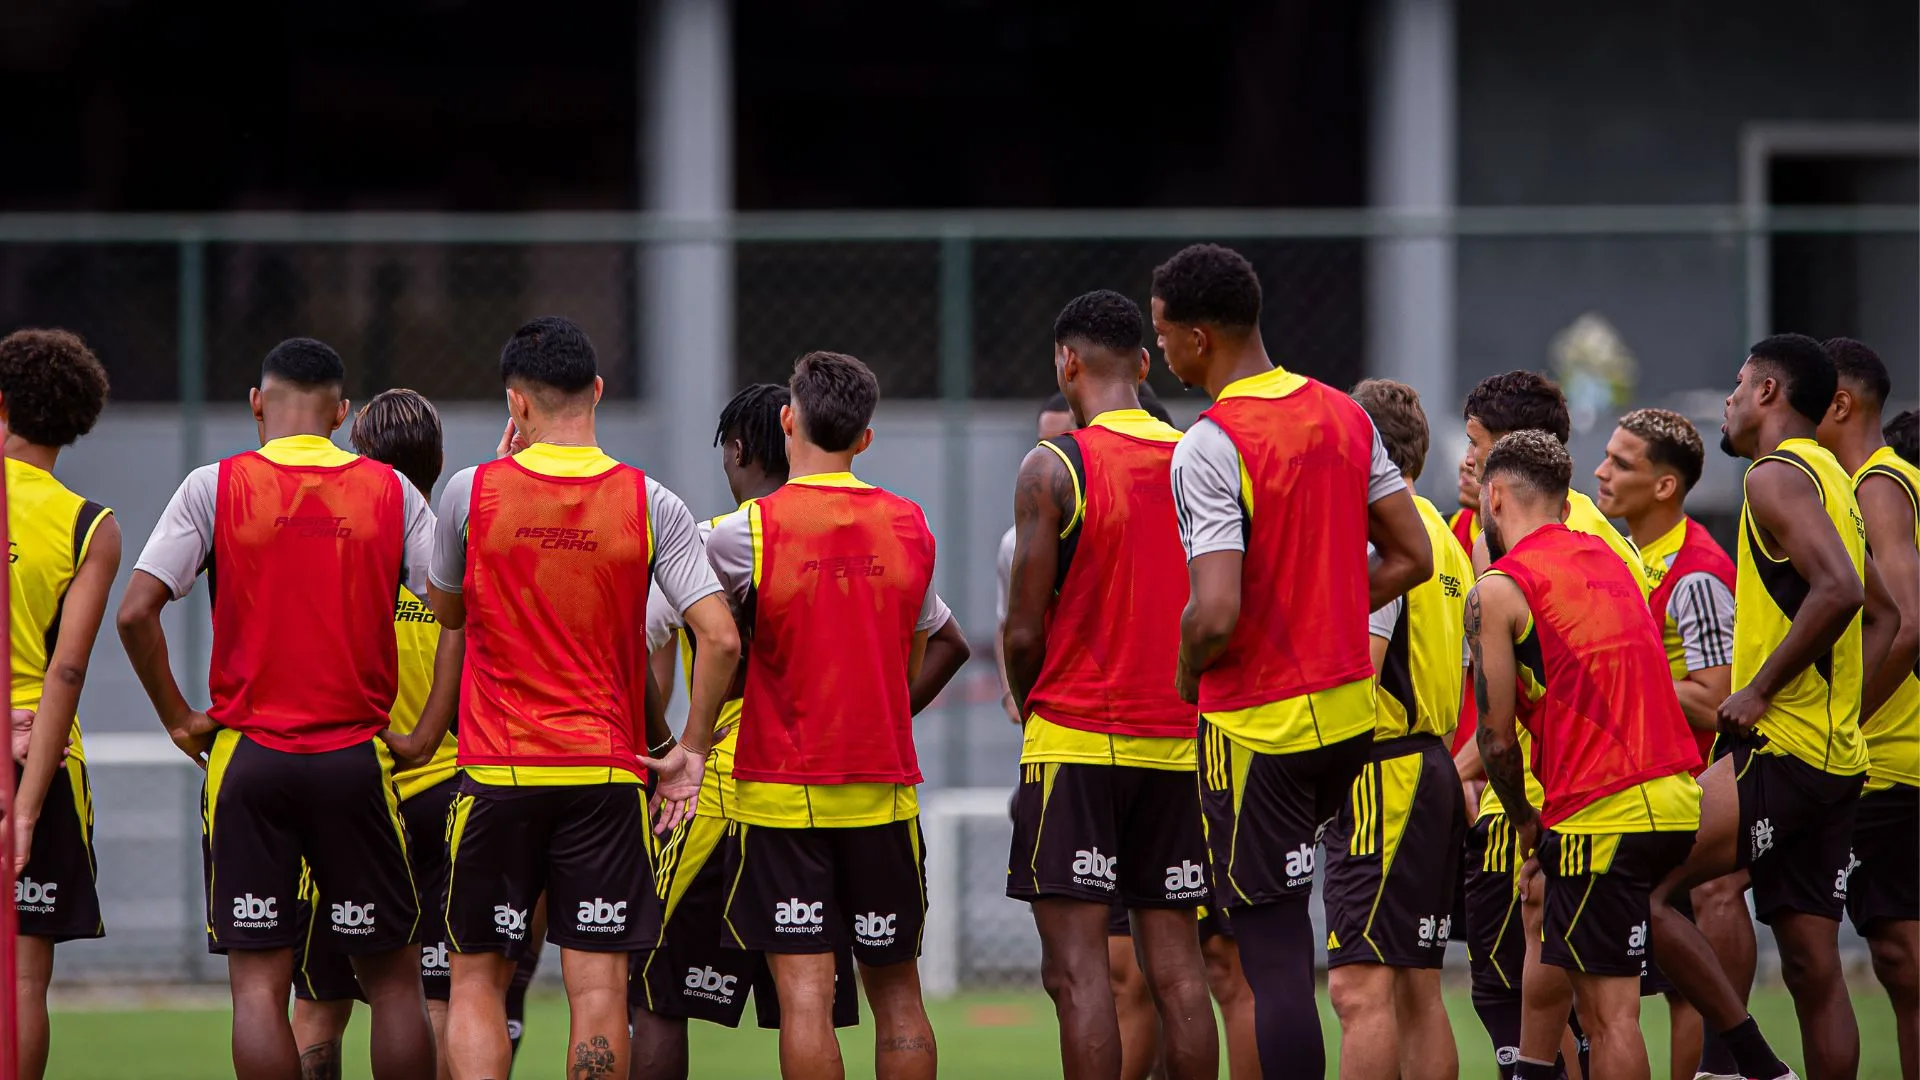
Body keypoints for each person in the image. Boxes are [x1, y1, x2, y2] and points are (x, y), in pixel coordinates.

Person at [413, 316, 741, 1080]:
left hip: (498, 775)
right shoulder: (650, 500)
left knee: (476, 983)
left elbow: (448, 610)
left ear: (515, 404)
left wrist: (493, 491)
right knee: (599, 991)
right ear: (596, 391)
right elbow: (720, 639)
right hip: (604, 779)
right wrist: (688, 751)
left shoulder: (471, 490)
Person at [116, 338, 438, 1080]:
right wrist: (423, 732)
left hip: (248, 759)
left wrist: (177, 715)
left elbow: (136, 613)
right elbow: (459, 612)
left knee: (259, 987)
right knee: (391, 980)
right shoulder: (392, 491)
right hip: (355, 759)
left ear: (258, 403)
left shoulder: (213, 484)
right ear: (342, 412)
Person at [631, 382, 968, 1080]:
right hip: (876, 787)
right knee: (897, 992)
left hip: (754, 787)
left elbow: (632, 648)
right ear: (861, 436)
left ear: (759, 440)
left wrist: (670, 747)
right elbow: (949, 641)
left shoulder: (724, 539)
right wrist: (880, 714)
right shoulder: (901, 525)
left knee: (671, 995)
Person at [1155, 243, 1433, 1079]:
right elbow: (1412, 554)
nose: (1159, 348)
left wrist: (1182, 673)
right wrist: (1329, 609)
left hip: (1258, 729)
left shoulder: (1209, 443)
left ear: (1199, 338)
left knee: (1274, 960)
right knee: (1312, 948)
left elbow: (1214, 610)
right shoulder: (1345, 416)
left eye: (1164, 331)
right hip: (1350, 719)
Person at [1650, 333, 1904, 1080]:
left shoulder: (1774, 475)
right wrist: (1843, 716)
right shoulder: (1832, 476)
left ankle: (1750, 1066)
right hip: (1833, 762)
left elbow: (1845, 592)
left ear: (1768, 393)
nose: (1725, 401)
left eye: (1737, 383)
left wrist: (1759, 691)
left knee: (1632, 877)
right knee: (1812, 968)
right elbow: (1887, 613)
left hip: (1781, 751)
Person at [1002, 290, 1217, 1080]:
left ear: (1067, 364)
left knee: (1078, 972)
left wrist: (1033, 702)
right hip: (1180, 742)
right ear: (1144, 362)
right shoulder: (1201, 456)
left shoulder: (1053, 465)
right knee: (1179, 971)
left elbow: (1023, 632)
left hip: (1078, 739)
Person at [1468, 430, 1706, 1080]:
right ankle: (1537, 1066)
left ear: (1494, 498)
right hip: (1678, 798)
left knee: (1610, 1015)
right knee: (1544, 916)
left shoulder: (1499, 586)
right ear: (1565, 503)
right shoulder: (1610, 557)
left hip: (1602, 812)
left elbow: (1495, 740)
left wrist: (1522, 825)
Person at [1452, 370, 1647, 1080]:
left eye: (1477, 445)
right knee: (1573, 996)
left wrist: (1458, 776)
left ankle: (1742, 1046)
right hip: (1599, 792)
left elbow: (1524, 706)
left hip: (1551, 798)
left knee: (1532, 992)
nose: (1466, 459)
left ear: (1512, 457)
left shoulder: (1556, 544)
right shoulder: (1539, 538)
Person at [1593, 406, 1750, 1080]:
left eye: (1621, 463)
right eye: (1606, 455)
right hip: (1644, 791)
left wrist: (1619, 670)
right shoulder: (1624, 555)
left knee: (1684, 984)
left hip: (1689, 793)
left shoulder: (1695, 573)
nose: (1600, 471)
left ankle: (1732, 1065)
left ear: (1665, 487)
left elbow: (1717, 702)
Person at [1326, 379, 1471, 1080]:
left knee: (1358, 989)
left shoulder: (1382, 534)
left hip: (1383, 775)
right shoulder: (1446, 536)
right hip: (1432, 767)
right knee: (1417, 986)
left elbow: (1364, 662)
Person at [0, 330, 119, 1080]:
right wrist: (28, 807)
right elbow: (66, 670)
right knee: (21, 979)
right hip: (35, 757)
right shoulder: (90, 526)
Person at [1816, 337, 1920, 1080]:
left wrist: (1840, 721)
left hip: (1884, 758)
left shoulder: (1879, 484)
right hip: (1873, 757)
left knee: (1902, 958)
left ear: (1841, 404)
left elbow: (1907, 622)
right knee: (1894, 956)